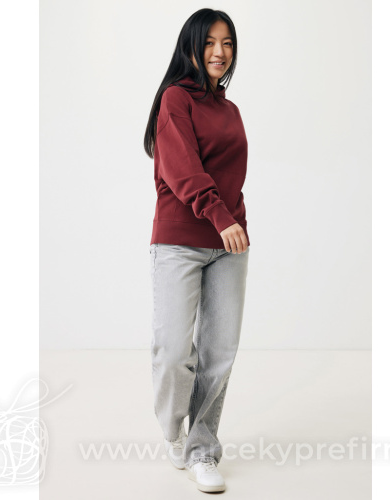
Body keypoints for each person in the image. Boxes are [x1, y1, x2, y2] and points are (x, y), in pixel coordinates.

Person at [144, 8, 250, 494]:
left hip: (229, 244)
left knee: (218, 355)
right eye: (209, 42)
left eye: (227, 43)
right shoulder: (175, 99)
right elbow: (183, 169)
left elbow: (233, 178)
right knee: (172, 353)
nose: (219, 52)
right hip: (179, 241)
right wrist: (219, 215)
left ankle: (202, 449)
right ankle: (174, 432)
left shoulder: (231, 110)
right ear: (191, 46)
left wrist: (234, 221)